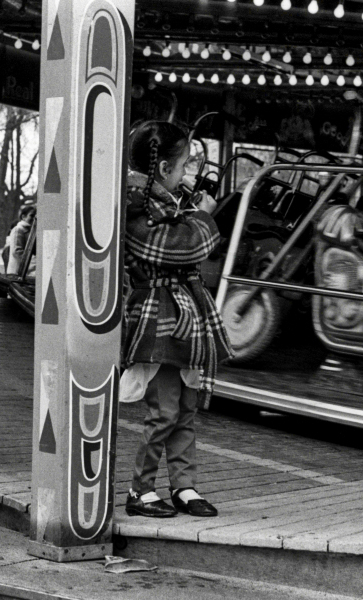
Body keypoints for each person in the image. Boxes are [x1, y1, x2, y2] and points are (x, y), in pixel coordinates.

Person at [121, 121, 233, 519]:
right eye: (184, 166)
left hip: (179, 316)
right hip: (159, 318)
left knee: (185, 408)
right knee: (164, 410)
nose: (187, 174)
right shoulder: (136, 206)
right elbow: (181, 249)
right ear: (165, 168)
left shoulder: (159, 201)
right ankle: (141, 489)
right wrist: (203, 217)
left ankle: (183, 486)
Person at [4, 205, 36, 276]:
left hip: (27, 272)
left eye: (35, 216)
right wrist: (35, 261)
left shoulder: (32, 231)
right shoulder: (18, 230)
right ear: (23, 217)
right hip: (16, 272)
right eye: (31, 215)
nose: (34, 218)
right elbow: (17, 252)